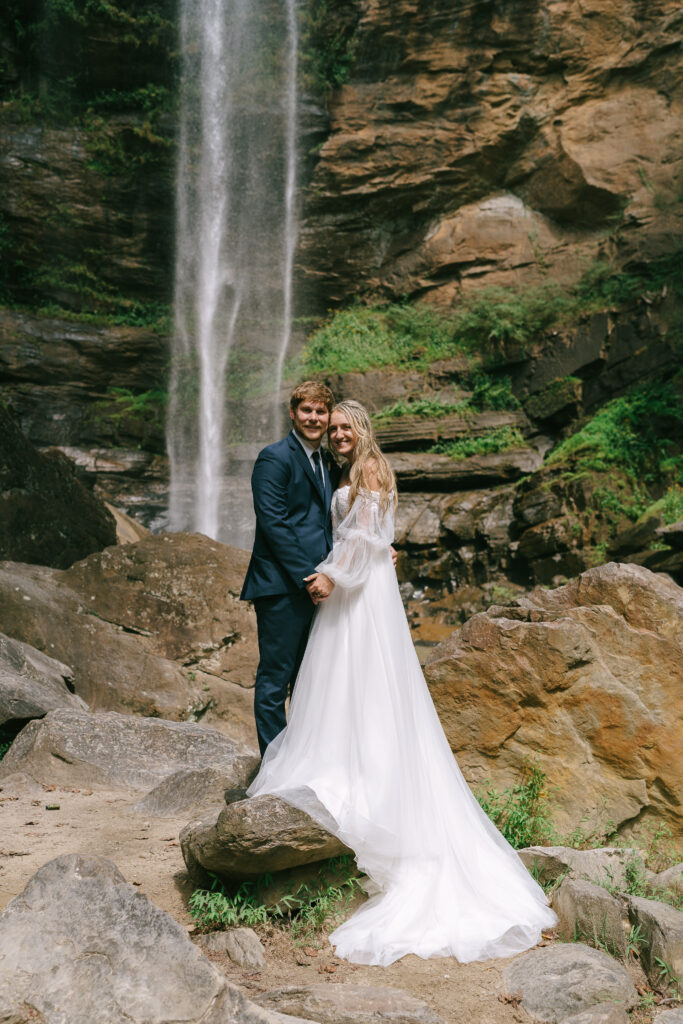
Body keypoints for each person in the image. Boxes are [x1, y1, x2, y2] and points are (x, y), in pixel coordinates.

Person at [248, 399, 557, 967]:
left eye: (344, 425)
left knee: (359, 685)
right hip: (360, 593)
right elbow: (370, 534)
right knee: (355, 690)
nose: (336, 433)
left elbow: (364, 541)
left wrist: (331, 575)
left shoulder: (367, 469)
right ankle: (354, 768)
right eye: (331, 426)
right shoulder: (347, 470)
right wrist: (362, 552)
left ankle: (365, 785)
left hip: (357, 596)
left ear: (361, 430)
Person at [241, 381, 339, 756]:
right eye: (307, 410)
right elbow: (273, 523)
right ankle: (273, 767)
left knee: (308, 679)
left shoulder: (328, 462)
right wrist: (309, 576)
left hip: (320, 584)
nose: (314, 418)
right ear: (293, 413)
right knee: (275, 678)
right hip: (282, 586)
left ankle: (302, 761)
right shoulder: (274, 458)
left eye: (320, 411)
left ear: (328, 417)